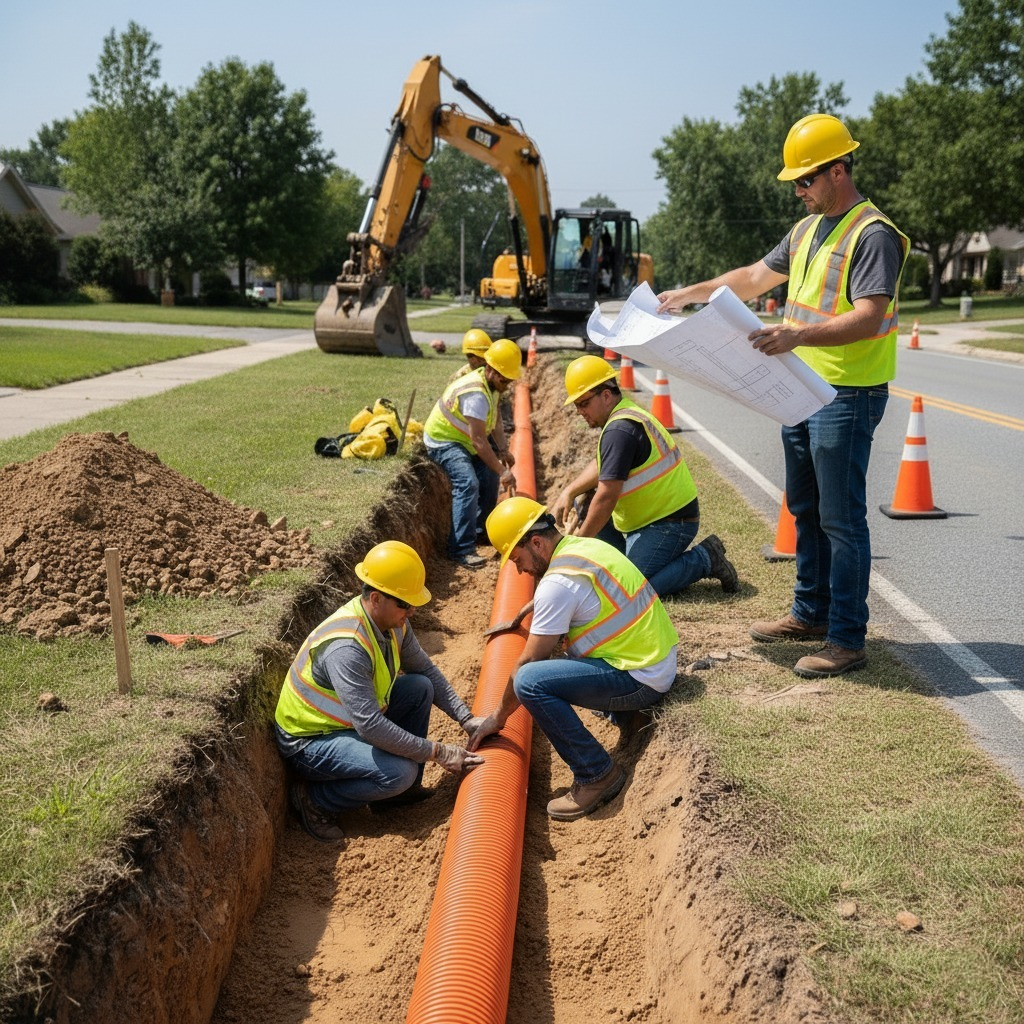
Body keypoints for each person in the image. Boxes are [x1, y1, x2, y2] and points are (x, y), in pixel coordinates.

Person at [656, 113, 910, 679]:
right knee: (806, 509)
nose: (798, 191)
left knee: (842, 520)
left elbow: (869, 318)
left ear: (838, 171)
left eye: (805, 181)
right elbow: (750, 277)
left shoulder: (873, 235)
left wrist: (798, 335)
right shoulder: (806, 231)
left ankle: (846, 638)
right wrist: (687, 295)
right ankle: (809, 613)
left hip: (847, 393)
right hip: (800, 389)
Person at [468, 497, 679, 821]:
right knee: (555, 666)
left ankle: (596, 774)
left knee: (530, 681)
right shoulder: (583, 548)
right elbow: (578, 595)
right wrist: (537, 607)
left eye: (517, 558)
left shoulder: (558, 584)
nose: (519, 568)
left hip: (640, 679)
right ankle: (624, 719)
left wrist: (497, 718)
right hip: (653, 659)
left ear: (536, 542)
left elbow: (526, 663)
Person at [274, 540, 485, 842]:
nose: (411, 611)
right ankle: (314, 799)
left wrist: (467, 719)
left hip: (347, 723)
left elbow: (425, 669)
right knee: (399, 772)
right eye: (404, 603)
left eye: (412, 603)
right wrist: (437, 752)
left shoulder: (394, 623)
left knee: (419, 687)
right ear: (375, 598)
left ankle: (397, 796)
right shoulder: (347, 647)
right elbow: (371, 726)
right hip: (310, 740)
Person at [550, 354, 739, 597]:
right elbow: (603, 464)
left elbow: (607, 496)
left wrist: (578, 545)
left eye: (583, 403)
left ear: (606, 395)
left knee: (632, 591)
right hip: (647, 519)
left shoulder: (620, 429)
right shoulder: (620, 417)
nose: (579, 411)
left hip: (670, 524)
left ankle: (705, 558)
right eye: (576, 405)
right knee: (584, 504)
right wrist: (569, 491)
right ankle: (624, 562)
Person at [424, 338, 521, 569]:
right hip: (443, 440)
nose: (506, 385)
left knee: (489, 474)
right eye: (504, 379)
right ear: (490, 369)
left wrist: (503, 450)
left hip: (463, 440)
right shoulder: (475, 394)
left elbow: (495, 421)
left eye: (509, 380)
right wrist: (503, 470)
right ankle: (461, 549)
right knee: (467, 483)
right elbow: (478, 441)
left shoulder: (492, 386)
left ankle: (480, 530)